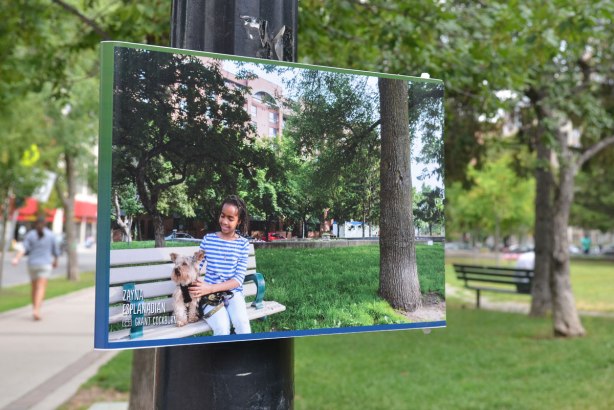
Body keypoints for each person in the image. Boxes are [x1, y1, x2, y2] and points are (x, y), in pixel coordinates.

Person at [189, 195, 251, 335]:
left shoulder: (243, 244)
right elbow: (196, 265)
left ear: (239, 221)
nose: (224, 221)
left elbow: (238, 280)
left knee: (243, 325)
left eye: (230, 218)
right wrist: (191, 272)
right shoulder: (208, 239)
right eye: (222, 216)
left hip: (233, 294)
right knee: (222, 328)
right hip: (208, 296)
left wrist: (210, 288)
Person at [12, 217, 61, 320]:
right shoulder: (51, 235)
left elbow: (23, 248)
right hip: (45, 265)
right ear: (46, 224)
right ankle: (37, 310)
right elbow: (56, 251)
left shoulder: (30, 235)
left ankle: (35, 308)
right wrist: (56, 261)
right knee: (41, 287)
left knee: (34, 288)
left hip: (32, 264)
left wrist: (17, 259)